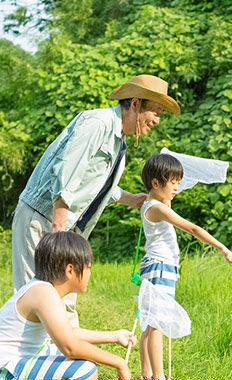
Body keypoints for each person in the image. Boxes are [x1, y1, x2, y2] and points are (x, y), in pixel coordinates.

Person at [12, 75, 181, 327]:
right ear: (135, 103)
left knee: (65, 299)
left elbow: (96, 185)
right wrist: (58, 229)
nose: (157, 120)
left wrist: (130, 199)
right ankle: (20, 361)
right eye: (155, 111)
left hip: (68, 228)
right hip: (44, 219)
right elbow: (67, 170)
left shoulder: (119, 140)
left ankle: (66, 360)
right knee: (36, 297)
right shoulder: (97, 123)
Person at [0, 231, 137, 380]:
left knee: (80, 359)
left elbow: (69, 333)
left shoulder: (45, 289)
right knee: (85, 371)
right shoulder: (44, 293)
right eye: (88, 268)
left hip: (4, 372)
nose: (90, 274)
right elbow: (69, 347)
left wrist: (114, 336)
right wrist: (118, 362)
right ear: (70, 271)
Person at [136, 153, 232, 380]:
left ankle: (146, 375)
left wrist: (168, 186)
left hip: (157, 267)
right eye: (173, 182)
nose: (177, 187)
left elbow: (166, 200)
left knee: (150, 323)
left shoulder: (153, 203)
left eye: (178, 182)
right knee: (157, 324)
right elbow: (193, 228)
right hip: (161, 268)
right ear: (156, 183)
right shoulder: (157, 208)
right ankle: (160, 377)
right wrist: (223, 248)